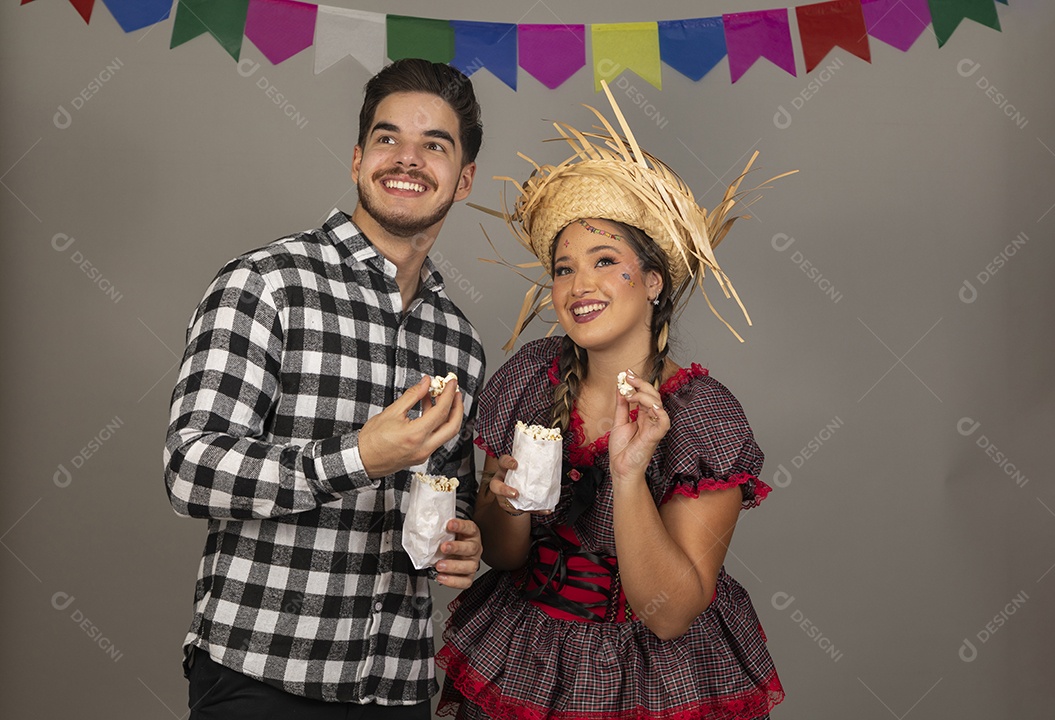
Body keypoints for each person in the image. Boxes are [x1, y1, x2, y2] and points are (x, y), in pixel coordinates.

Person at [436, 83, 792, 719]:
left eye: (605, 261)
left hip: (649, 676)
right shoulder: (530, 376)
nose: (580, 285)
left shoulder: (704, 417)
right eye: (565, 268)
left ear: (653, 282)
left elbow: (672, 613)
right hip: (527, 652)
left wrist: (629, 478)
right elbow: (505, 553)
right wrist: (507, 504)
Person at [164, 58, 487, 719]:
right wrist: (358, 457)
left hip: (397, 688)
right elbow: (189, 470)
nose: (408, 159)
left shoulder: (460, 344)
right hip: (261, 677)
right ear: (357, 158)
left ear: (464, 179)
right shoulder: (266, 284)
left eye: (435, 145)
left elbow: (448, 500)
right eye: (388, 137)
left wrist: (464, 540)